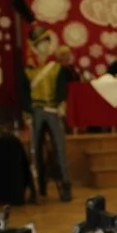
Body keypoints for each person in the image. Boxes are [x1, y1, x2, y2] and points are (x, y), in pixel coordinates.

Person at [21, 28, 72, 202]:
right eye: (41, 44)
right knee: (34, 150)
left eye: (46, 43)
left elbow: (61, 89)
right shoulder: (28, 70)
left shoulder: (56, 68)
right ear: (34, 47)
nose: (44, 47)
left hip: (52, 110)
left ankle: (65, 184)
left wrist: (61, 104)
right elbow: (24, 93)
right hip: (35, 111)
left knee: (59, 146)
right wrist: (26, 112)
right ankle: (35, 186)